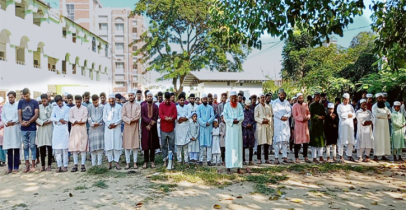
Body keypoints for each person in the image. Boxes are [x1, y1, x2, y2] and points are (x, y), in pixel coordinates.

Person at [18, 88, 39, 173]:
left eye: (27, 96)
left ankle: (33, 165)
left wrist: (29, 122)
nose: (25, 97)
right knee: (25, 146)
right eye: (24, 96)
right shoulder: (21, 102)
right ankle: (27, 164)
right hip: (23, 128)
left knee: (33, 146)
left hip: (32, 127)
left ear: (30, 94)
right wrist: (21, 122)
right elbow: (19, 114)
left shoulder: (34, 102)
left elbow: (36, 114)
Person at [223, 91, 244, 174]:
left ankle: (238, 167)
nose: (234, 99)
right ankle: (228, 167)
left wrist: (237, 120)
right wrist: (232, 121)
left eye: (235, 98)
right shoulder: (226, 106)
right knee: (229, 148)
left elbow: (242, 116)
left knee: (238, 147)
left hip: (238, 129)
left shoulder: (239, 105)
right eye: (232, 98)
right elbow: (225, 117)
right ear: (230, 98)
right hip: (230, 130)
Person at [2, 91, 21, 174]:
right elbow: (3, 116)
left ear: (15, 97)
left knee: (16, 148)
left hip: (15, 128)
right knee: (9, 149)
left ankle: (16, 167)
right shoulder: (5, 106)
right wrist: (6, 122)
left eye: (12, 97)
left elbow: (19, 116)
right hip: (8, 129)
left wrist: (12, 122)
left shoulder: (18, 106)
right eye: (9, 97)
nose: (10, 99)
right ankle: (10, 167)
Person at [121, 90, 141, 170]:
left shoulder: (138, 105)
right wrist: (129, 120)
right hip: (127, 127)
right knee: (127, 146)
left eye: (132, 95)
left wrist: (132, 120)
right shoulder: (125, 105)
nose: (130, 97)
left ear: (134, 96)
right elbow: (123, 116)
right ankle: (127, 163)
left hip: (135, 127)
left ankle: (135, 163)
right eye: (129, 95)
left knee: (135, 146)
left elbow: (138, 115)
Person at [68, 95, 88, 172]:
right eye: (76, 102)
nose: (78, 103)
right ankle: (75, 164)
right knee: (74, 148)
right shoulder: (72, 109)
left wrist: (77, 121)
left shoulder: (85, 108)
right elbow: (70, 118)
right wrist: (77, 121)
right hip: (74, 130)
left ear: (81, 101)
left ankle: (83, 164)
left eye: (79, 102)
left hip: (82, 129)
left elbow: (84, 119)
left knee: (83, 147)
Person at [50, 95, 70, 172]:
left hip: (64, 128)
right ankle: (59, 165)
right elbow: (52, 118)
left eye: (60, 102)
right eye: (58, 103)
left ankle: (65, 165)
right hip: (57, 129)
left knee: (65, 149)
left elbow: (67, 118)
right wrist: (59, 119)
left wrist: (63, 120)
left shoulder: (67, 108)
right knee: (57, 150)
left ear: (62, 101)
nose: (59, 104)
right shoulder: (55, 108)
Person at [103, 94, 123, 170]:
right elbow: (104, 117)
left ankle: (117, 162)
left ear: (115, 100)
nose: (111, 102)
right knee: (109, 146)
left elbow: (121, 117)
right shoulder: (106, 107)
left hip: (116, 128)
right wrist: (109, 124)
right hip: (108, 128)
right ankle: (110, 162)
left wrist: (115, 124)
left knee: (117, 145)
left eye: (113, 101)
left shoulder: (119, 107)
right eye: (110, 101)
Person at [141, 92, 160, 169]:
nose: (149, 98)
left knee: (152, 145)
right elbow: (142, 116)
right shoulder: (143, 106)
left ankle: (152, 161)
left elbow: (156, 116)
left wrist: (151, 124)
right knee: (146, 145)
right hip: (145, 128)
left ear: (152, 97)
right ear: (146, 97)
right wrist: (149, 122)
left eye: (150, 96)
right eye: (148, 96)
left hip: (153, 128)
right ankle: (145, 162)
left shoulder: (155, 106)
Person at [273, 89, 292, 164]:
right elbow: (275, 112)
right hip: (278, 123)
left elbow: (289, 111)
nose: (282, 96)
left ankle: (285, 157)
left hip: (285, 123)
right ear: (278, 94)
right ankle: (276, 158)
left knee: (285, 141)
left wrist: (286, 117)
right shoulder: (275, 102)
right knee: (277, 141)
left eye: (283, 94)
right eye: (281, 94)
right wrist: (281, 117)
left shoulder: (287, 102)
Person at [196, 94, 215, 166]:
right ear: (201, 100)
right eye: (203, 99)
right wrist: (204, 123)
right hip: (202, 128)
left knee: (209, 145)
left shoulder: (210, 107)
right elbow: (198, 117)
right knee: (201, 145)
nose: (205, 100)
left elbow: (212, 116)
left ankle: (209, 160)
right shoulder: (198, 108)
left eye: (206, 99)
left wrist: (208, 122)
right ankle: (201, 160)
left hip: (209, 128)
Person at [36, 94, 53, 172]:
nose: (43, 102)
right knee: (42, 147)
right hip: (42, 128)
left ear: (47, 99)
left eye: (45, 101)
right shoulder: (39, 107)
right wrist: (42, 122)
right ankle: (43, 165)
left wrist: (48, 121)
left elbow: (53, 116)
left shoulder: (52, 107)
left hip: (49, 128)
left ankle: (49, 165)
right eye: (42, 101)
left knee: (49, 147)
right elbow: (36, 118)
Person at [372, 93, 391, 162]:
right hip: (378, 125)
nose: (381, 99)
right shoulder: (374, 106)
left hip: (385, 125)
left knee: (384, 139)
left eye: (381, 98)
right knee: (377, 139)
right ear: (377, 99)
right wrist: (385, 115)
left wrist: (387, 115)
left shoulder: (385, 106)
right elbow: (376, 115)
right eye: (379, 98)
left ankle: (383, 155)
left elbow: (389, 113)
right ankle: (375, 155)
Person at [159, 92, 177, 166]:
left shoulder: (173, 105)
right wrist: (166, 118)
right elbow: (160, 114)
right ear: (164, 98)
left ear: (170, 99)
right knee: (164, 145)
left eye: (168, 99)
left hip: (171, 128)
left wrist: (171, 118)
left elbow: (175, 114)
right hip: (163, 128)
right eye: (166, 99)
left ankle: (171, 160)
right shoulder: (161, 105)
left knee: (171, 145)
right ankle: (165, 160)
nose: (167, 101)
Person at [254, 93, 273, 164]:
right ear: (259, 99)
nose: (262, 99)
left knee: (266, 143)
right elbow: (255, 117)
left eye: (263, 97)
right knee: (259, 143)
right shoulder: (257, 107)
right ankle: (259, 158)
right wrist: (262, 121)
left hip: (267, 126)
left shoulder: (268, 107)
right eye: (261, 98)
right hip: (260, 126)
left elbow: (270, 116)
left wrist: (268, 120)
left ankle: (266, 158)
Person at [337, 93, 356, 162]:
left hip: (350, 125)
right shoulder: (339, 106)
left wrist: (351, 115)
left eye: (348, 100)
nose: (346, 101)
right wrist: (348, 114)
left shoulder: (350, 106)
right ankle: (341, 155)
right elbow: (341, 115)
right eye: (345, 100)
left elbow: (354, 114)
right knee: (342, 140)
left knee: (350, 140)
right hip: (343, 125)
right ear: (343, 99)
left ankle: (349, 155)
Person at [292, 93, 311, 163]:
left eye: (302, 98)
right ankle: (296, 157)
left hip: (305, 125)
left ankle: (305, 156)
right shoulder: (294, 106)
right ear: (297, 98)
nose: (301, 99)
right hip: (298, 125)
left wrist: (308, 117)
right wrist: (302, 118)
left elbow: (308, 113)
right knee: (297, 142)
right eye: (299, 98)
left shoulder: (305, 105)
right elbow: (295, 116)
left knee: (305, 142)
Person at [87, 94, 105, 167]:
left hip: (100, 128)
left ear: (98, 100)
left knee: (100, 147)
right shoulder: (89, 107)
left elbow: (103, 117)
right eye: (94, 102)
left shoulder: (102, 107)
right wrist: (92, 123)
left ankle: (99, 164)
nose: (95, 104)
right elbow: (88, 117)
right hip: (92, 129)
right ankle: (93, 165)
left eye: (96, 102)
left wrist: (98, 122)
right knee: (93, 147)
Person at [309, 92, 326, 163]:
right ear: (314, 98)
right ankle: (314, 157)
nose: (318, 99)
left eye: (319, 97)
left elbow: (324, 114)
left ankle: (321, 156)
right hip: (314, 125)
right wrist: (318, 117)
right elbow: (311, 115)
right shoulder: (311, 105)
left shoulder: (321, 105)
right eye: (316, 97)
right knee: (314, 142)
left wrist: (323, 117)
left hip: (320, 126)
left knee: (321, 141)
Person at [175, 94, 191, 165]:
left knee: (185, 145)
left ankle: (186, 160)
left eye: (183, 100)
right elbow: (176, 116)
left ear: (185, 100)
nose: (182, 101)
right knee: (178, 145)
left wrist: (184, 119)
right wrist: (180, 119)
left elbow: (189, 115)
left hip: (186, 127)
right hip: (178, 127)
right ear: (178, 100)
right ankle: (179, 160)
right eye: (180, 100)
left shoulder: (187, 107)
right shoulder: (176, 107)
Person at [242, 101, 255, 165]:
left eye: (249, 106)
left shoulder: (251, 112)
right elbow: (241, 120)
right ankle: (243, 159)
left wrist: (251, 124)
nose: (248, 107)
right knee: (243, 146)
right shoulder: (242, 112)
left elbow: (253, 120)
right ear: (245, 105)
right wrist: (245, 125)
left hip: (250, 130)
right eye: (247, 105)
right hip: (244, 131)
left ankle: (250, 160)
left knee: (251, 146)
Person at [0, 97, 5, 166]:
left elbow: (3, 120)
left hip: (2, 129)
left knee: (2, 145)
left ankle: (3, 160)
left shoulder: (3, 109)